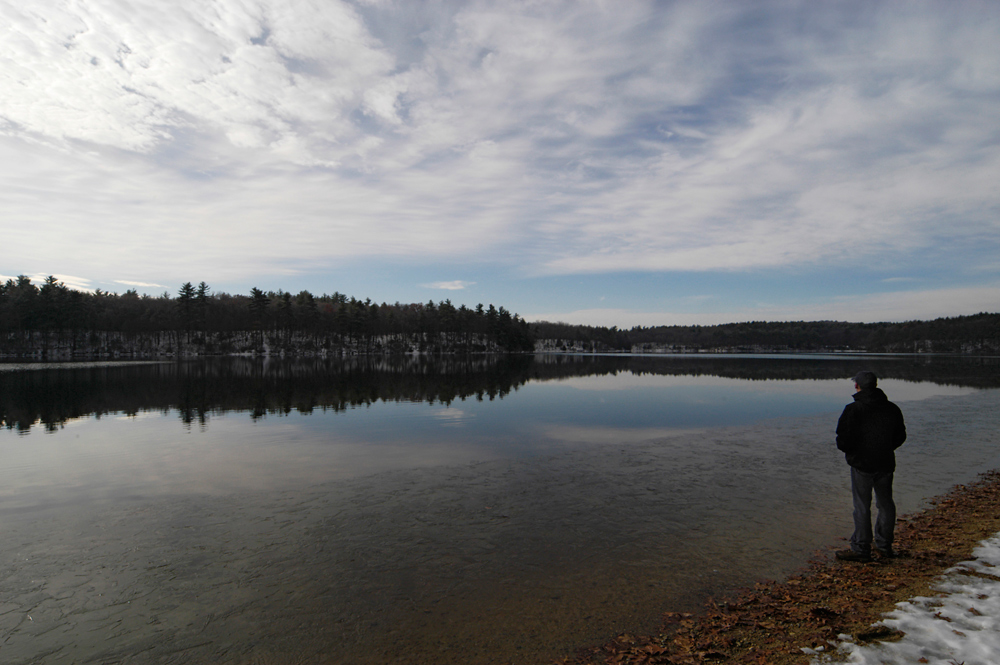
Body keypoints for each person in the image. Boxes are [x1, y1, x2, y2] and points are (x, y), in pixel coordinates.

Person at [834, 371, 907, 563]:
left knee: (862, 507)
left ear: (857, 386)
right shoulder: (892, 408)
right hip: (885, 462)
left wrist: (854, 453)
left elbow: (843, 439)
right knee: (885, 504)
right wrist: (885, 448)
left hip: (862, 464)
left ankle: (861, 548)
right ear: (875, 385)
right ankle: (884, 546)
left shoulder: (854, 409)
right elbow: (900, 436)